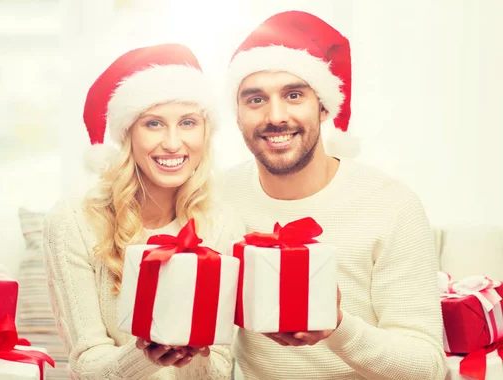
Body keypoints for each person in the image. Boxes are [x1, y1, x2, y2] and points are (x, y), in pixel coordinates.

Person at [221, 11, 447, 380]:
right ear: (238, 114)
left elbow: (428, 365)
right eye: (255, 99)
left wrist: (337, 328)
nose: (275, 116)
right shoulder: (217, 195)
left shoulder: (391, 205)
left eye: (294, 95)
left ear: (323, 106)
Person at [43, 43, 244, 380]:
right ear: (128, 135)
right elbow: (86, 364)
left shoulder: (222, 224)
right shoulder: (72, 222)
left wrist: (191, 355)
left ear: (206, 132)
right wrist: (146, 355)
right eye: (153, 124)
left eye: (188, 123)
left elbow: (220, 368)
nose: (172, 143)